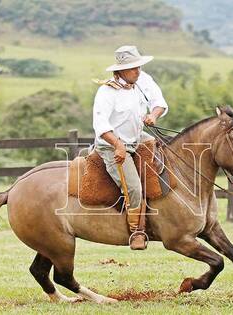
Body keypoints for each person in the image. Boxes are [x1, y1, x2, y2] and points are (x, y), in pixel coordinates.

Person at [92, 45, 168, 250]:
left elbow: (159, 102)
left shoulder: (142, 80)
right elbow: (101, 125)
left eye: (139, 66)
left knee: (166, 153)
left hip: (137, 138)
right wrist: (117, 145)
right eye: (133, 68)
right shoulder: (106, 92)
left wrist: (153, 115)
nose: (138, 70)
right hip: (112, 145)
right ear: (120, 71)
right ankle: (137, 232)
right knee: (134, 187)